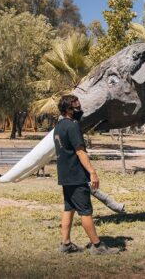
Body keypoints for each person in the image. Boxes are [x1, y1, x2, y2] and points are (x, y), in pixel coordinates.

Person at [54, 95, 119, 255]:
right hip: (76, 175)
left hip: (65, 175)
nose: (80, 110)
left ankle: (66, 244)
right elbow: (80, 151)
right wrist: (92, 172)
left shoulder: (59, 126)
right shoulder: (73, 126)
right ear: (68, 109)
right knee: (85, 211)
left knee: (69, 208)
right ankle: (97, 246)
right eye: (77, 108)